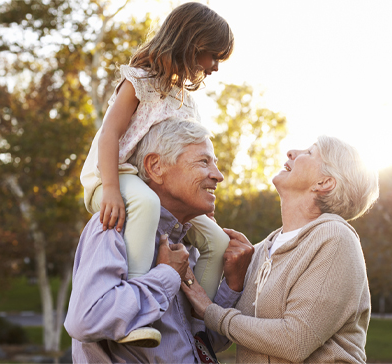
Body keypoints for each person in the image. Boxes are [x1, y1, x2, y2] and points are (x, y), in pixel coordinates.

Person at [79, 2, 234, 345]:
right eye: (214, 56)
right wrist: (111, 188)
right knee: (146, 205)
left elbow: (186, 153)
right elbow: (109, 135)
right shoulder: (138, 82)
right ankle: (135, 314)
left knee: (216, 240)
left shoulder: (185, 99)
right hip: (115, 172)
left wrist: (200, 200)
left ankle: (196, 321)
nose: (216, 68)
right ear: (194, 44)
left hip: (150, 179)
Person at [65, 119, 254, 363]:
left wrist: (233, 284)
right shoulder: (113, 226)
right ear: (155, 166)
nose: (218, 176)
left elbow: (204, 342)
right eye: (204, 161)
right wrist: (166, 275)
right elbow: (87, 320)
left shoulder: (188, 245)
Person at [182, 135, 380, 363]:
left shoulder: (335, 238)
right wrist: (230, 279)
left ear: (324, 183)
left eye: (309, 152)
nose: (291, 152)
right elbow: (215, 338)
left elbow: (294, 341)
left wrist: (209, 310)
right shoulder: (260, 251)